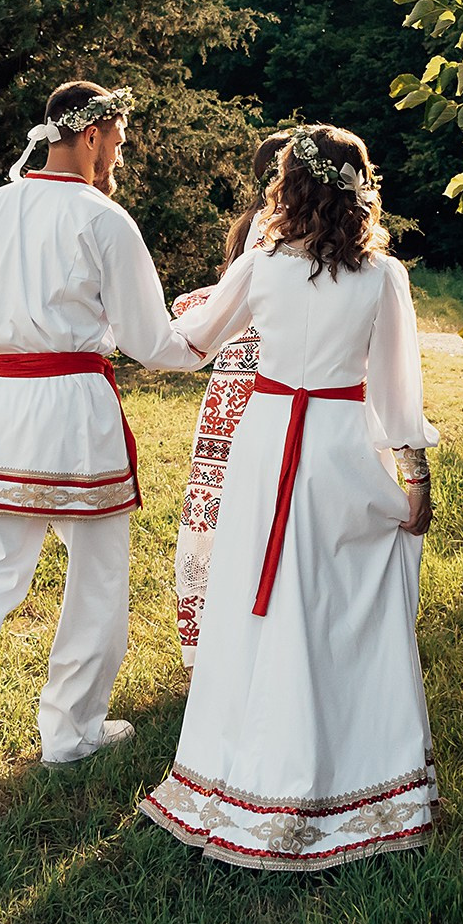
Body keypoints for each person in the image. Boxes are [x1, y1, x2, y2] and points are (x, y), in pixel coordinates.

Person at [0, 81, 202, 830]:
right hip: (71, 412)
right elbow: (151, 340)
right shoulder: (103, 218)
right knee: (97, 578)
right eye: (118, 143)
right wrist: (223, 319)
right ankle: (73, 732)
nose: (118, 159)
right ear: (92, 133)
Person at [140, 125, 440, 871]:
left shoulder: (261, 264)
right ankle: (358, 777)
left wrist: (125, 325)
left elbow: (189, 343)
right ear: (358, 186)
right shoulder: (382, 277)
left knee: (261, 604)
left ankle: (248, 773)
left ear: (290, 186)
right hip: (340, 444)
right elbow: (399, 398)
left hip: (269, 441)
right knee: (346, 602)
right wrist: (416, 479)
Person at [169, 129, 292, 668]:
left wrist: (195, 303)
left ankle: (219, 633)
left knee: (228, 504)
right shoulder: (280, 227)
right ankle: (265, 628)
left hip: (235, 380)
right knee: (264, 501)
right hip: (268, 379)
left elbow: (232, 303)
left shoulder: (251, 226)